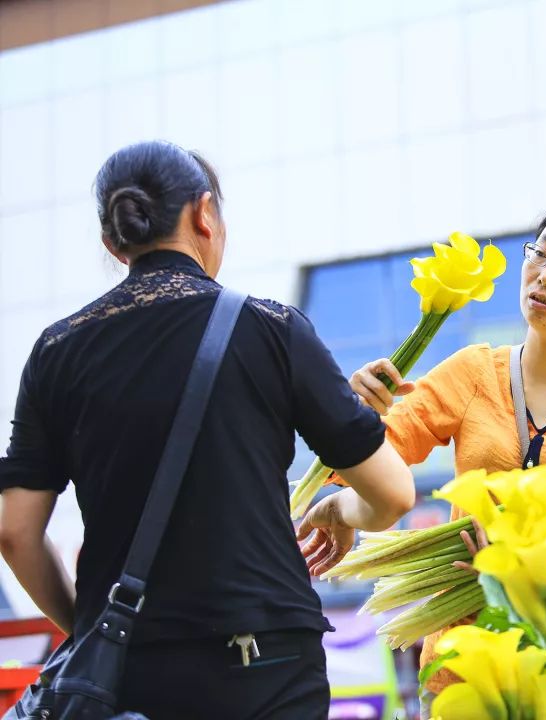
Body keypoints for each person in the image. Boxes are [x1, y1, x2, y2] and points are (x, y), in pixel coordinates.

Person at [0, 141, 415, 720]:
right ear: (204, 214)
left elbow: (15, 532)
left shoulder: (56, 351)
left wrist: (97, 629)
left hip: (132, 674)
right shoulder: (271, 329)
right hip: (266, 667)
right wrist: (339, 513)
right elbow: (393, 493)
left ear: (112, 243)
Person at [301, 196, 546, 710]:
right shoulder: (473, 372)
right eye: (541, 254)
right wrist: (358, 414)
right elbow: (373, 455)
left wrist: (526, 567)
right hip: (461, 669)